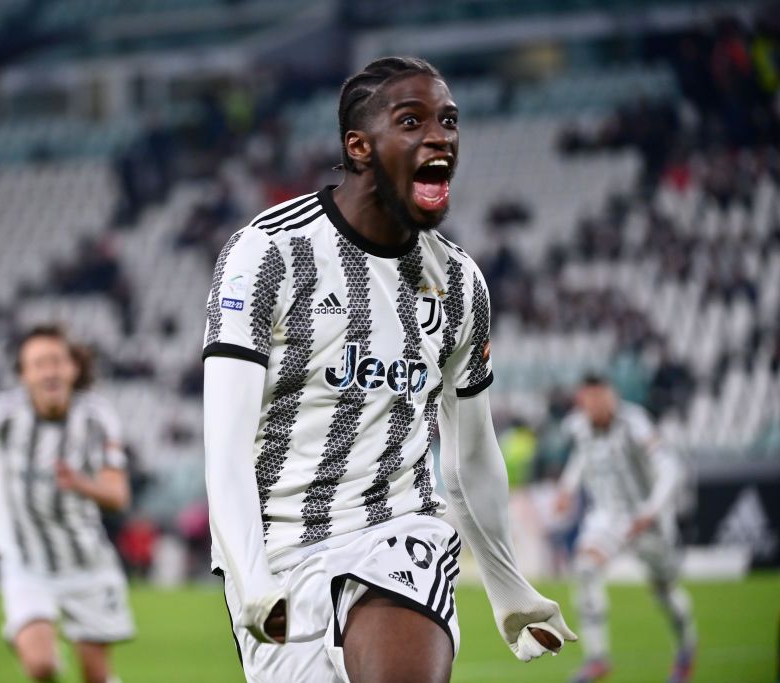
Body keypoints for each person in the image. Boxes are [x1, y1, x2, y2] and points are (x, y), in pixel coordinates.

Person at [202, 56, 574, 683]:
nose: (440, 137)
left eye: (449, 122)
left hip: (399, 531)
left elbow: (471, 455)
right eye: (413, 121)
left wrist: (509, 586)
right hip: (281, 554)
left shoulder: (458, 282)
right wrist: (250, 572)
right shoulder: (268, 254)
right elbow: (227, 443)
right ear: (361, 146)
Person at [0, 325, 133, 683]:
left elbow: (118, 496)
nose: (49, 371)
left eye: (56, 361)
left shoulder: (98, 417)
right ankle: (48, 656)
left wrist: (80, 484)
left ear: (72, 369)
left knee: (97, 677)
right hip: (26, 562)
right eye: (38, 364)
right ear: (24, 375)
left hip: (85, 561)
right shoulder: (4, 413)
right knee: (40, 667)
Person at [555, 375, 696, 683]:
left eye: (599, 399)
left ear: (611, 397)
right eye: (587, 400)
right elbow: (582, 456)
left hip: (647, 520)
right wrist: (567, 488)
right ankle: (597, 659)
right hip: (607, 516)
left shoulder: (634, 423)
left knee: (665, 592)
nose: (593, 406)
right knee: (585, 568)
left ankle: (687, 647)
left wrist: (652, 509)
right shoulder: (579, 426)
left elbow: (670, 467)